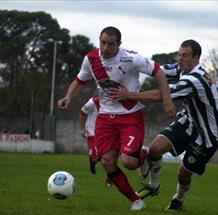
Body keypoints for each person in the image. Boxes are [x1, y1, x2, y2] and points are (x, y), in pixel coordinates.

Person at [57, 26, 176, 210]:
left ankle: (142, 154)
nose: (105, 48)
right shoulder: (91, 58)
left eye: (110, 44)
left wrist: (167, 99)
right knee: (106, 161)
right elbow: (80, 80)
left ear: (118, 45)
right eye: (102, 42)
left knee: (129, 163)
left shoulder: (130, 58)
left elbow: (158, 71)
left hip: (130, 116)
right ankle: (136, 200)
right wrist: (68, 97)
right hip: (105, 117)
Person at [109, 39, 218, 211]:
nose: (180, 59)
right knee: (155, 149)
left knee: (183, 173)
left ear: (196, 58)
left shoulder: (194, 79)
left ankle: (179, 198)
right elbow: (156, 71)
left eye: (185, 56)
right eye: (179, 54)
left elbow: (162, 94)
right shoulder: (182, 69)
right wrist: (134, 61)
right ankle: (153, 186)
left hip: (206, 136)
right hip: (188, 121)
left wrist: (128, 95)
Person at [79, 96, 113, 187]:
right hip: (92, 134)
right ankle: (92, 163)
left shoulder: (114, 101)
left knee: (109, 157)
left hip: (106, 134)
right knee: (95, 158)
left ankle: (110, 178)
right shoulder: (93, 103)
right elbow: (82, 112)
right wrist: (82, 129)